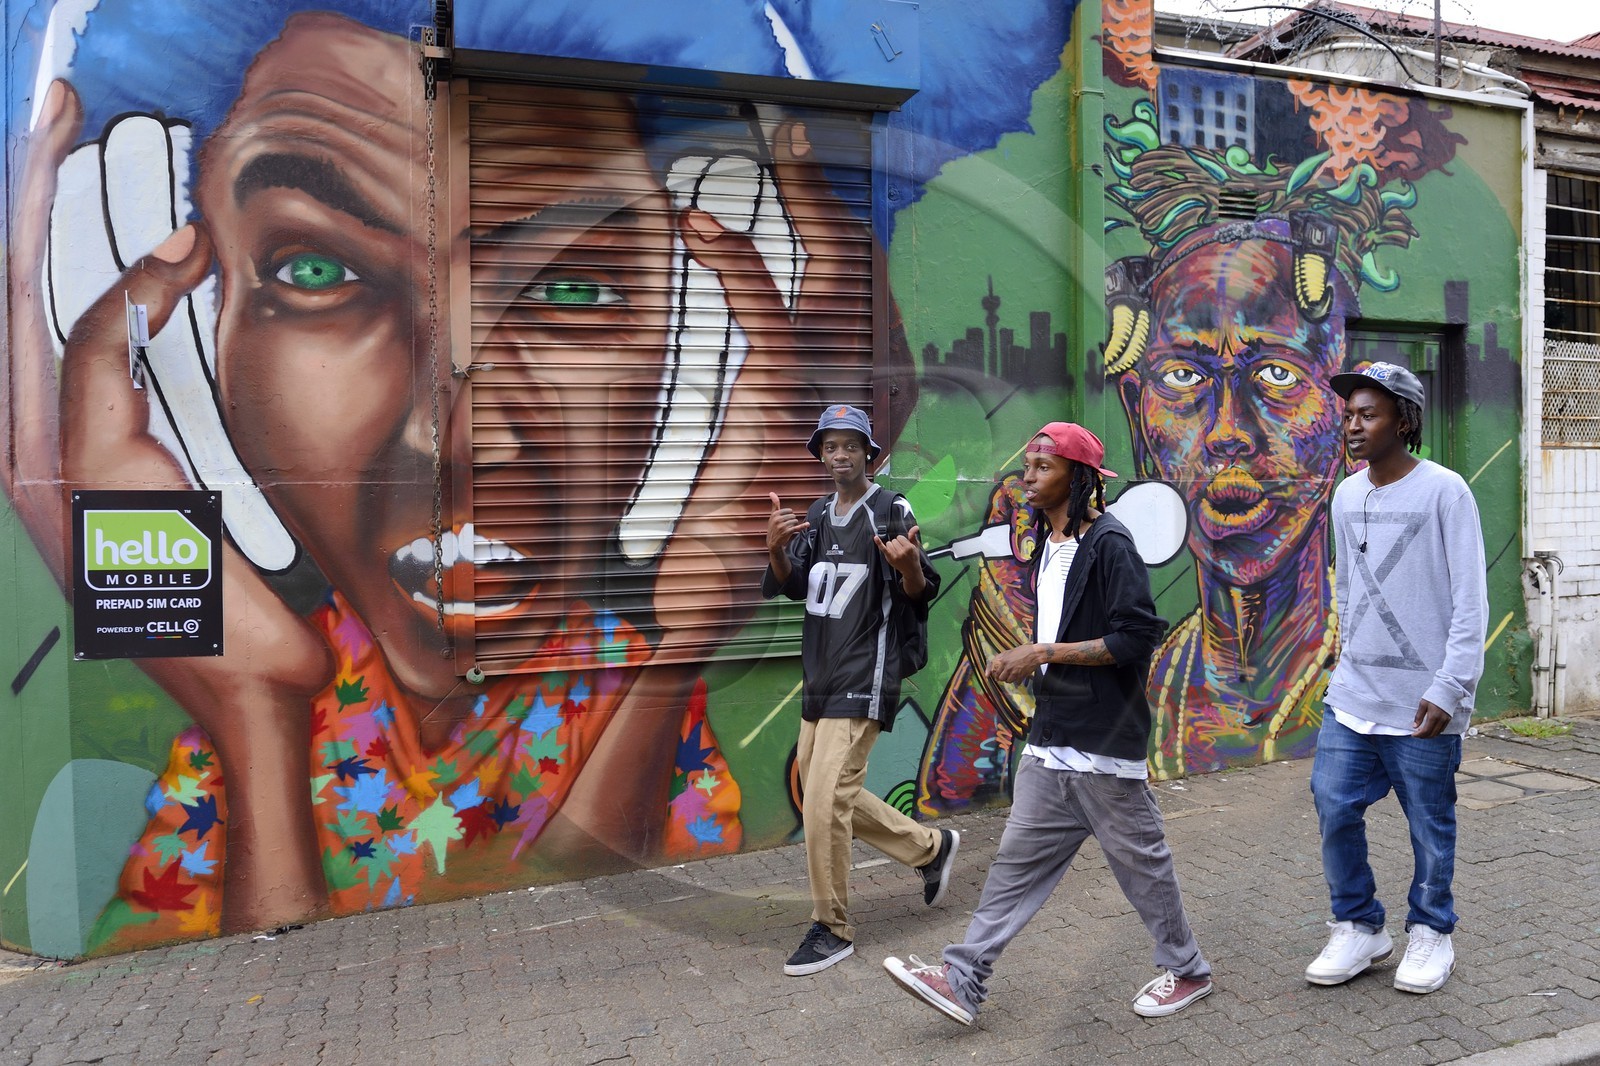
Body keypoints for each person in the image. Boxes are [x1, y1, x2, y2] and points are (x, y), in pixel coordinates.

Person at [6, 7, 879, 949]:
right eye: (314, 267)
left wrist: (683, 644)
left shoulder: (633, 701)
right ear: (198, 367)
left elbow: (587, 944)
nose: (457, 434)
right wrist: (254, 707)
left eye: (572, 290)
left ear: (693, 366)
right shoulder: (253, 688)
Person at [884, 422, 1212, 1023]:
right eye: (1028, 466)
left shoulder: (1111, 543)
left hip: (1103, 744)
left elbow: (1135, 638)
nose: (1027, 477)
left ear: (1077, 477)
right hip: (1053, 739)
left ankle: (1187, 969)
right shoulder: (1046, 544)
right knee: (1014, 866)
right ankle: (963, 977)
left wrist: (1040, 654)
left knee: (1144, 869)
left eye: (1043, 467)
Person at [1305, 361, 1487, 995]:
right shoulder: (1346, 495)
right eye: (1349, 414)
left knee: (1429, 823)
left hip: (1423, 703)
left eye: (1368, 414)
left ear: (1403, 421)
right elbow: (1348, 588)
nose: (1353, 426)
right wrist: (1341, 656)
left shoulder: (1445, 491)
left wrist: (1451, 686)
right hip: (1355, 696)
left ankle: (1432, 930)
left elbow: (1471, 600)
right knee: (1333, 805)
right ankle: (1359, 926)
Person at [762, 404, 956, 976]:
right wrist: (774, 549)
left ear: (868, 453)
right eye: (830, 445)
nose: (840, 454)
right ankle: (930, 849)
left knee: (824, 804)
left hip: (865, 672)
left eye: (852, 445)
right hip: (819, 673)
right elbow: (793, 585)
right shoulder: (819, 514)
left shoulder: (890, 508)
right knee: (818, 791)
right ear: (820, 454)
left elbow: (921, 589)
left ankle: (832, 927)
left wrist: (909, 566)